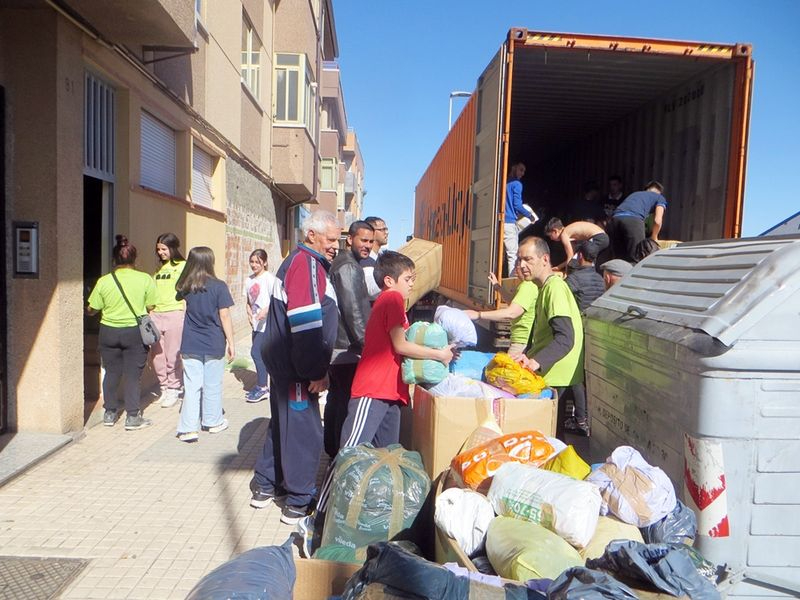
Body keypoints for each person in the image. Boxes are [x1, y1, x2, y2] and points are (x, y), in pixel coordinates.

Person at [312, 251, 454, 529]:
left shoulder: (395, 302)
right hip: (373, 391)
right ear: (389, 280)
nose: (412, 283)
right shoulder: (391, 299)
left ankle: (371, 518)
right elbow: (400, 345)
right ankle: (319, 517)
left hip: (391, 393)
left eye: (413, 278)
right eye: (408, 278)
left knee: (386, 459)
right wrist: (438, 355)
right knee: (350, 453)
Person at [250, 210, 340, 525]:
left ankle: (263, 485)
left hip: (284, 366)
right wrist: (316, 371)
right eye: (331, 240)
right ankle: (298, 501)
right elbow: (306, 327)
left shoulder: (297, 261)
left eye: (337, 240)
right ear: (311, 235)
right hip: (298, 370)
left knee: (284, 425)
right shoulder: (307, 265)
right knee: (304, 432)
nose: (335, 246)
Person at [513, 237, 586, 439]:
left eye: (528, 259)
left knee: (549, 438)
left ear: (545, 259)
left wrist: (535, 362)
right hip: (555, 373)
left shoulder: (554, 288)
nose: (522, 265)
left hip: (558, 375)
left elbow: (566, 338)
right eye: (519, 260)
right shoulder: (544, 288)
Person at [87, 235, 157, 430]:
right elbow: (151, 305)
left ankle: (109, 413)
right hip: (134, 333)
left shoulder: (104, 281)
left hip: (108, 332)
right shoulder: (145, 279)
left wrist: (90, 310)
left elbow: (93, 307)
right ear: (135, 259)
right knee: (133, 375)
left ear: (113, 260)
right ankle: (133, 417)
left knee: (111, 372)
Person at [174, 247, 235, 443]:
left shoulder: (185, 286)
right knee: (212, 383)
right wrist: (231, 342)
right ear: (210, 262)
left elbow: (179, 296)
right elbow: (224, 315)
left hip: (191, 341)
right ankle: (212, 421)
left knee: (191, 386)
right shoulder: (219, 286)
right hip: (214, 340)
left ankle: (188, 429)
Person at [325, 220, 374, 457]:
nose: (367, 246)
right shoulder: (349, 268)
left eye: (371, 242)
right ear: (350, 239)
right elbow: (353, 311)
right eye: (363, 240)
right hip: (347, 349)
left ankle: (332, 449)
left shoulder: (346, 263)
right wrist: (368, 348)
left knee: (337, 399)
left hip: (341, 347)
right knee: (345, 404)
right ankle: (339, 453)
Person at [464, 265, 538, 358]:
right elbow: (513, 303)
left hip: (521, 343)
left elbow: (511, 313)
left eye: (518, 264)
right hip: (520, 341)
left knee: (508, 371)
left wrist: (478, 314)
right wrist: (498, 287)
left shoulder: (528, 286)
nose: (516, 267)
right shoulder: (526, 285)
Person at [150, 233, 186, 409]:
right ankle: (164, 387)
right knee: (157, 355)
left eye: (164, 249)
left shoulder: (183, 266)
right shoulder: (158, 269)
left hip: (175, 312)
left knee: (173, 354)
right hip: (156, 314)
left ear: (172, 248)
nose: (161, 252)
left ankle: (174, 387)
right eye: (158, 249)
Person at [243, 249, 275, 403]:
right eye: (252, 261)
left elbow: (276, 299)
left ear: (265, 262)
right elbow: (248, 301)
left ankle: (263, 387)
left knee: (256, 353)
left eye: (257, 262)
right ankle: (263, 383)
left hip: (267, 324)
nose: (254, 265)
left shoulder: (269, 279)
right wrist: (249, 312)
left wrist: (266, 311)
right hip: (255, 324)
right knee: (262, 354)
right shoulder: (248, 280)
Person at [609, 181, 667, 262]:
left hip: (614, 220)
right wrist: (654, 237)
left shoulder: (635, 194)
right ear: (659, 192)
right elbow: (657, 221)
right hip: (633, 220)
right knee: (637, 256)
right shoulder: (659, 198)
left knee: (618, 258)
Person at [504, 162, 535, 275]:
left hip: (498, 222)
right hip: (509, 223)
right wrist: (529, 215)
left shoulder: (503, 182)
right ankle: (512, 282)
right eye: (521, 170)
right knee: (512, 255)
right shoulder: (517, 184)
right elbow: (517, 205)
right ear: (514, 168)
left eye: (524, 171)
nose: (522, 173)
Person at [545, 218, 610, 272]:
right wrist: (559, 267)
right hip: (603, 237)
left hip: (598, 237)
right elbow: (572, 257)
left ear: (555, 231)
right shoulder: (570, 233)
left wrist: (566, 274)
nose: (551, 239)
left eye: (550, 236)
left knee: (586, 258)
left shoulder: (564, 234)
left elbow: (569, 257)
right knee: (581, 257)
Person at [564, 245, 606, 312]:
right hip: (596, 317)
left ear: (580, 255)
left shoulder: (573, 279)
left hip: (580, 319)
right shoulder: (601, 279)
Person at [361, 216, 388, 301]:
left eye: (386, 229)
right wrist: (392, 281)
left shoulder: (380, 257)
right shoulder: (366, 259)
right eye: (382, 229)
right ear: (371, 232)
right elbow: (370, 290)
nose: (386, 233)